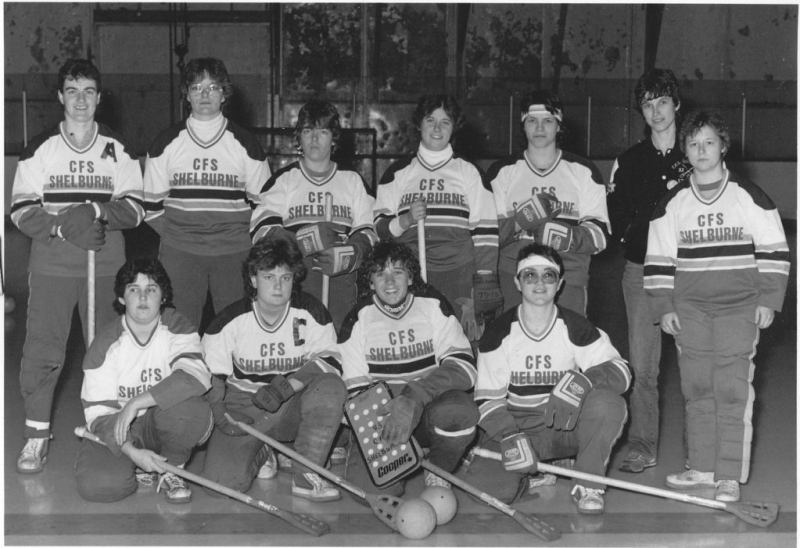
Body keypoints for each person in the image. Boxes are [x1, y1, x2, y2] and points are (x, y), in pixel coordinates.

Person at [644, 109, 790, 503]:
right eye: (693, 143)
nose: (701, 150)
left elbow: (775, 251)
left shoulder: (749, 196)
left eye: (709, 142)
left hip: (739, 307)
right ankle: (703, 468)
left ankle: (727, 474)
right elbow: (657, 259)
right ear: (685, 151)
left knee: (730, 388)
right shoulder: (672, 202)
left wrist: (769, 301)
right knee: (696, 388)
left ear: (723, 146)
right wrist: (664, 306)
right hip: (689, 309)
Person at [10, 58, 145, 474]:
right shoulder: (40, 147)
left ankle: (108, 430)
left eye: (88, 91)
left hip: (106, 266)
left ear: (99, 97)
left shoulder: (117, 147)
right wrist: (63, 228)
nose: (81, 99)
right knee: (43, 352)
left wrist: (95, 210)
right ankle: (36, 437)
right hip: (53, 266)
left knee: (107, 352)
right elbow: (19, 210)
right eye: (72, 91)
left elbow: (137, 208)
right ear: (59, 97)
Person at [462, 243, 631, 514]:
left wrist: (585, 381)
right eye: (530, 275)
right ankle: (538, 471)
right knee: (490, 494)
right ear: (517, 282)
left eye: (548, 275)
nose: (539, 282)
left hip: (564, 427)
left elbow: (621, 371)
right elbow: (486, 400)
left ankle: (587, 484)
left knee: (608, 403)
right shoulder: (499, 333)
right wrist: (508, 434)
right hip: (519, 430)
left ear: (560, 283)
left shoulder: (575, 327)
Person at [324, 240, 479, 498]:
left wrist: (413, 398)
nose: (390, 281)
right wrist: (391, 429)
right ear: (370, 282)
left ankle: (439, 470)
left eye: (397, 272)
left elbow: (464, 367)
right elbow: (359, 394)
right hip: (387, 420)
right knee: (370, 492)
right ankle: (408, 454)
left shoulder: (432, 305)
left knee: (460, 411)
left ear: (410, 277)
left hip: (428, 408)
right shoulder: (358, 320)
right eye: (380, 274)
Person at [199, 237, 347, 502]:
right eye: (269, 277)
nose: (278, 286)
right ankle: (263, 450)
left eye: (286, 277)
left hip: (291, 404)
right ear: (253, 279)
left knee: (331, 387)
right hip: (245, 408)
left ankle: (305, 473)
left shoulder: (311, 311)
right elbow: (212, 377)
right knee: (219, 485)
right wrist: (219, 411)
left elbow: (332, 360)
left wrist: (288, 386)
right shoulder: (229, 320)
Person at [143, 57, 271, 332]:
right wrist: (185, 238)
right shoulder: (166, 143)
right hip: (182, 252)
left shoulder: (246, 144)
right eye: (196, 87)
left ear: (224, 94)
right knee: (179, 331)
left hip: (234, 251)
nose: (204, 94)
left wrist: (232, 238)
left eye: (212, 87)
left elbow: (266, 208)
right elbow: (152, 209)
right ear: (186, 95)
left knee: (236, 332)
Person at [607, 68, 693, 474]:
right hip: (640, 274)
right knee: (643, 367)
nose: (656, 111)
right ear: (640, 111)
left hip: (691, 274)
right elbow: (615, 216)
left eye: (662, 102)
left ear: (676, 104)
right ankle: (643, 444)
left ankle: (701, 452)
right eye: (647, 104)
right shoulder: (628, 161)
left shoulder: (698, 152)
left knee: (697, 364)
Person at [75, 258, 213, 504]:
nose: (142, 297)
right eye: (133, 289)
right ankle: (138, 466)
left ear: (163, 297)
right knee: (100, 486)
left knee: (191, 408)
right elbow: (98, 414)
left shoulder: (177, 326)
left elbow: (195, 377)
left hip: (161, 420)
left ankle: (171, 467)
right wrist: (131, 452)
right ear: (121, 298)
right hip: (119, 429)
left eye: (150, 289)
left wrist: (135, 403)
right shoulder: (104, 345)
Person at [373, 94, 501, 341]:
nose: (437, 128)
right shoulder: (398, 173)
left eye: (446, 122)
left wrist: (483, 288)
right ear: (419, 124)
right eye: (430, 120)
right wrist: (406, 219)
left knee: (463, 346)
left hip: (460, 274)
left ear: (454, 128)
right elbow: (379, 230)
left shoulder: (469, 172)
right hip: (411, 275)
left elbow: (485, 234)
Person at [250, 99, 377, 331]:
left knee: (339, 349)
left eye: (323, 131)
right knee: (298, 346)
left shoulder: (352, 181)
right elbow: (261, 230)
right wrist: (301, 241)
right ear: (299, 136)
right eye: (308, 131)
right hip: (296, 283)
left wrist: (350, 254)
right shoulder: (284, 180)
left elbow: (369, 231)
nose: (315, 138)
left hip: (341, 283)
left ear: (334, 137)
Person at [487, 90, 610, 316]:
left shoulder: (583, 171)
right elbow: (485, 235)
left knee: (568, 346)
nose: (540, 128)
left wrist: (566, 237)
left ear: (559, 125)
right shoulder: (502, 172)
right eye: (532, 121)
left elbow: (600, 237)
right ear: (523, 125)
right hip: (514, 277)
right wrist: (518, 222)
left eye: (548, 121)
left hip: (568, 276)